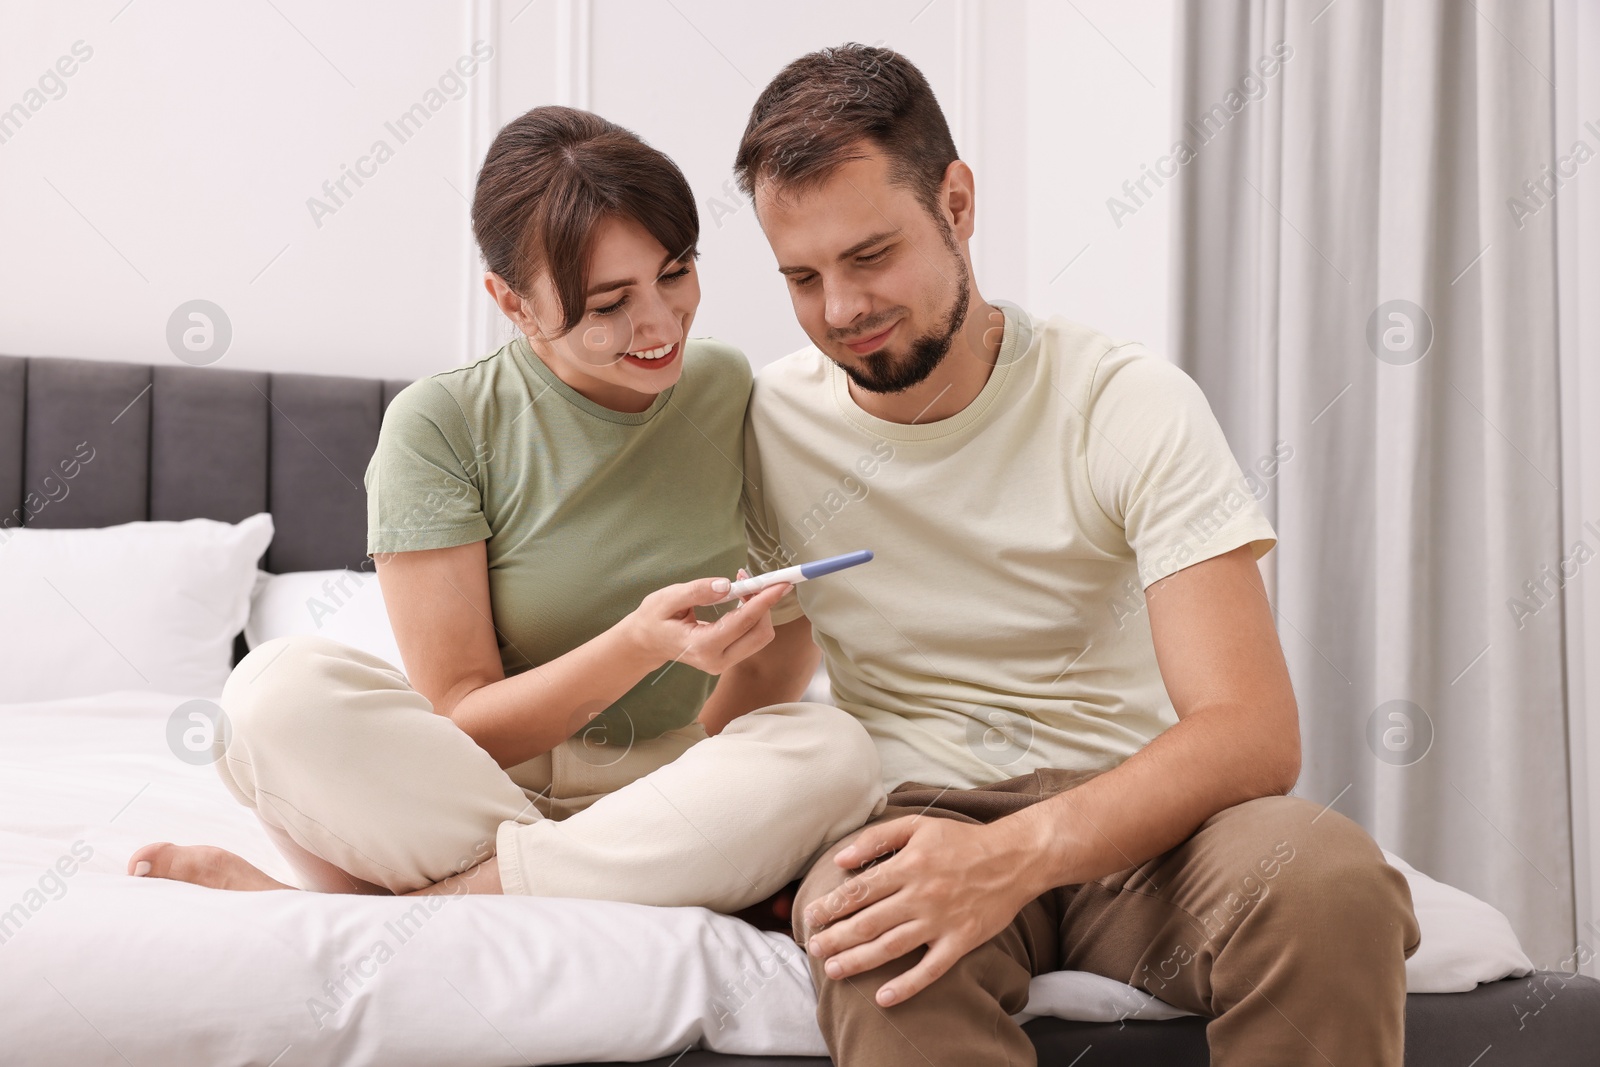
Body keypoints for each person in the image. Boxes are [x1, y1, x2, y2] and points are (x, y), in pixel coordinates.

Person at [706, 44, 1422, 1066]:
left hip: (1143, 816)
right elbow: (769, 672)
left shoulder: (1123, 402)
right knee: (870, 936)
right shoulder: (765, 423)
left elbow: (1253, 730)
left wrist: (1009, 856)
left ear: (956, 202)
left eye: (871, 257)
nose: (841, 310)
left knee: (1328, 878)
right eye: (802, 277)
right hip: (913, 809)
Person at [126, 105, 886, 911]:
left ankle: (411, 906)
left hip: (661, 786)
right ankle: (591, 876)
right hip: (473, 789)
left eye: (676, 270)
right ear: (512, 301)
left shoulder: (728, 387)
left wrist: (699, 781)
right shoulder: (442, 425)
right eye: (607, 304)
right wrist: (636, 646)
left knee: (833, 749)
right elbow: (464, 717)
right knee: (268, 693)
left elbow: (780, 643)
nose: (660, 322)